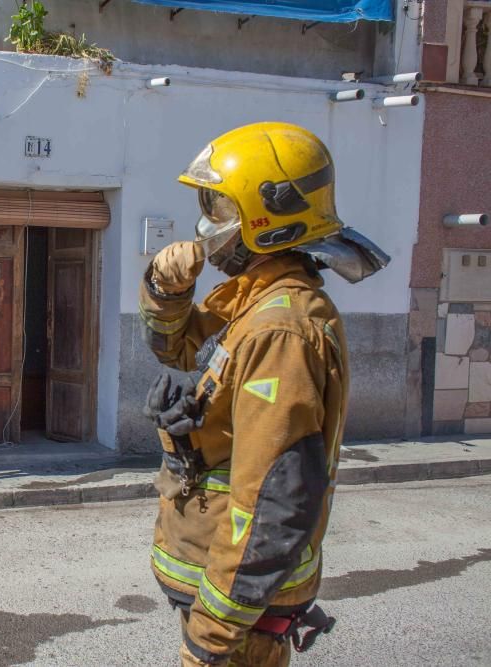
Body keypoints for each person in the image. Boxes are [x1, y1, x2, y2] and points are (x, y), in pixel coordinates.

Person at [139, 122, 389, 666]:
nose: (206, 226)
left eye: (220, 210)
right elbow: (177, 350)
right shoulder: (255, 299)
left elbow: (274, 502)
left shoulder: (281, 329)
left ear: (267, 220)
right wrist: (165, 290)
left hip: (240, 616)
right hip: (228, 592)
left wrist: (210, 637)